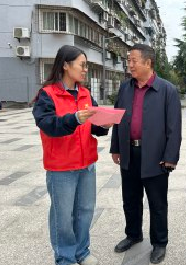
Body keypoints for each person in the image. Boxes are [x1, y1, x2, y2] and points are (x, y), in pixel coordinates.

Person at [33, 45, 112, 265]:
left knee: (85, 212)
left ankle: (82, 252)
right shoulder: (47, 95)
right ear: (66, 65)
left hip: (87, 164)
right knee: (63, 218)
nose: (85, 70)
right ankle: (65, 258)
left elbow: (93, 125)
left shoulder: (85, 93)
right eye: (82, 65)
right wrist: (74, 118)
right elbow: (48, 125)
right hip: (61, 168)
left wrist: (104, 124)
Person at [110, 44, 182, 264]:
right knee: (130, 199)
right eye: (128, 60)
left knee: (157, 203)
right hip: (129, 152)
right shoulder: (125, 88)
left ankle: (159, 243)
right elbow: (117, 118)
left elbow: (174, 128)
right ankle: (133, 234)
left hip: (156, 156)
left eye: (133, 60)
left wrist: (171, 157)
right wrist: (116, 147)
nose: (129, 65)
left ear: (148, 63)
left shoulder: (167, 90)